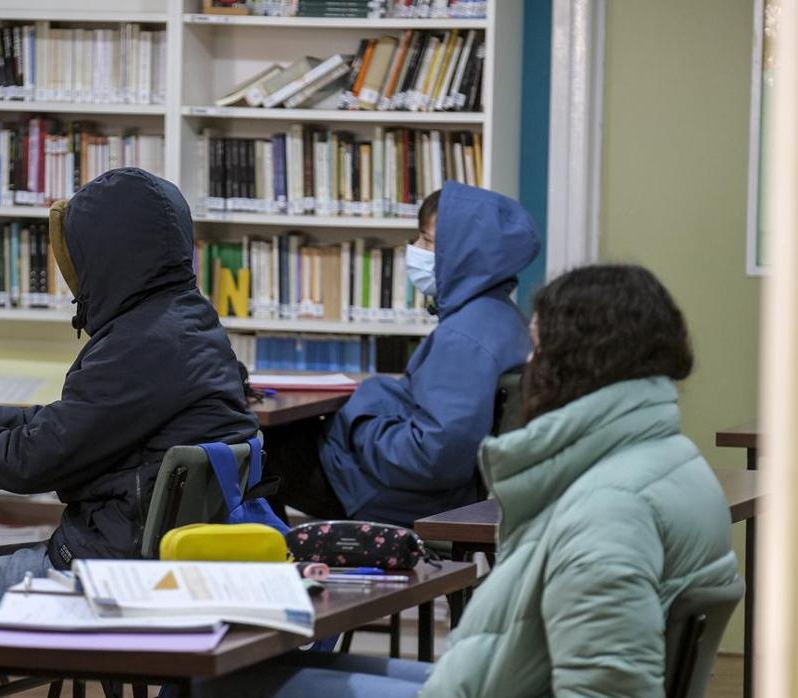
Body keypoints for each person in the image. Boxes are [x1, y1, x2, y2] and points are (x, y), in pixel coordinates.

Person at [203, 264, 738, 697]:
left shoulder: (610, 510)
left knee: (220, 684)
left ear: (577, 361)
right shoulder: (672, 462)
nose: (531, 366)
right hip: (495, 679)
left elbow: (607, 687)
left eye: (538, 348)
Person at [0, 168, 259, 697]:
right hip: (156, 565)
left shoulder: (139, 344)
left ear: (106, 255)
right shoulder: (186, 324)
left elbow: (30, 463)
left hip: (101, 577)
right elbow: (76, 422)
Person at [266, 181, 540, 526]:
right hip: (433, 487)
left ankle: (263, 568)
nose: (415, 249)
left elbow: (431, 457)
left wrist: (361, 416)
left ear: (464, 253)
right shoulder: (501, 318)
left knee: (258, 450)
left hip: (399, 494)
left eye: (426, 241)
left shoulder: (464, 337)